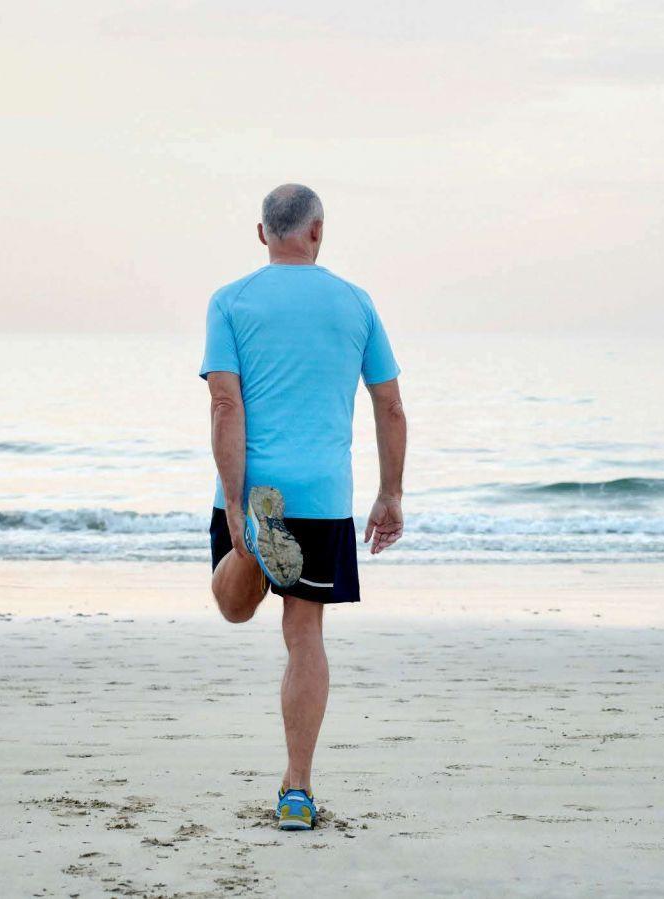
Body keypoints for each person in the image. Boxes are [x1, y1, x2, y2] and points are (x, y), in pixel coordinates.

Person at [200, 183, 407, 831]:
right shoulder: (355, 303)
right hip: (320, 494)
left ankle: (254, 550)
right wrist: (390, 492)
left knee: (233, 607)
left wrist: (235, 503)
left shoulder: (229, 301)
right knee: (304, 635)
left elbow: (226, 404)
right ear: (317, 230)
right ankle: (297, 790)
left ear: (262, 234)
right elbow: (389, 406)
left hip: (256, 485)